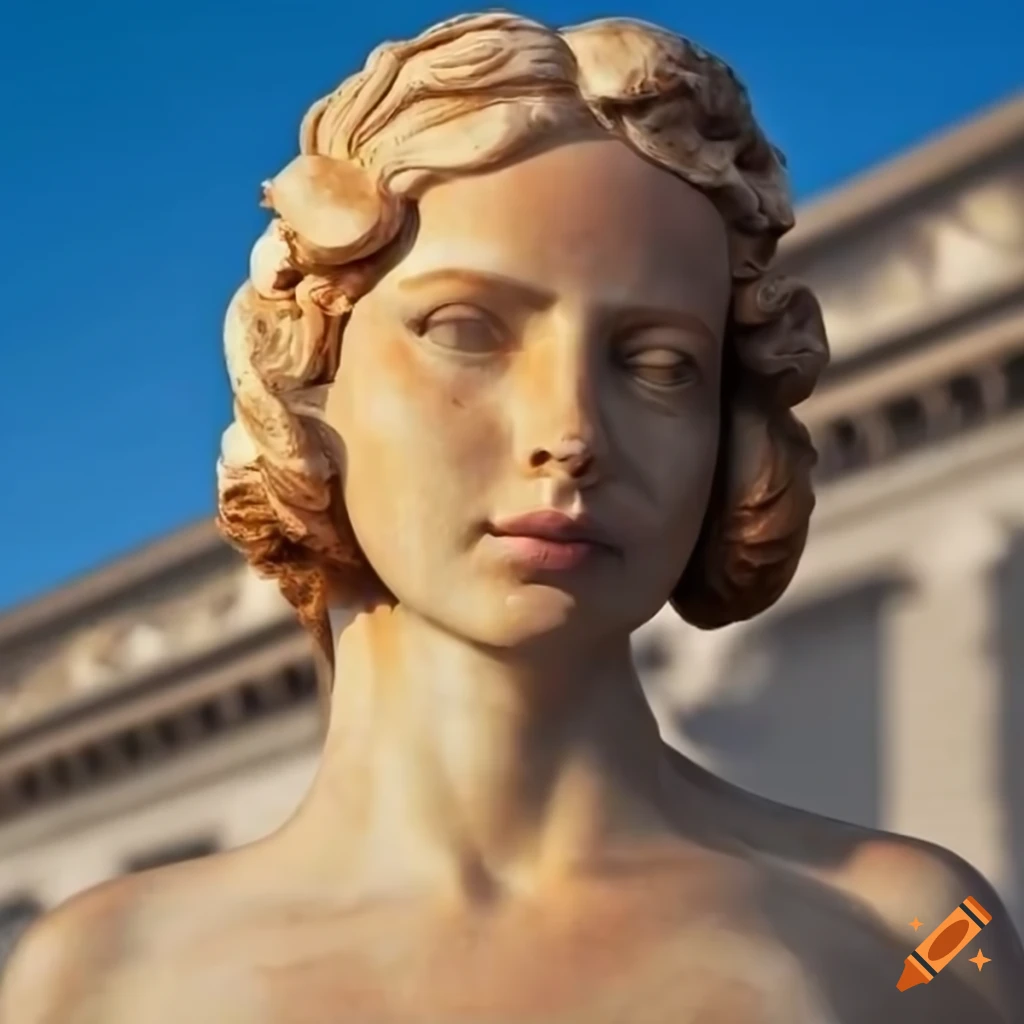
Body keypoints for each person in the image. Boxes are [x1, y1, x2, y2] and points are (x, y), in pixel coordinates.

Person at [3, 12, 1022, 1023]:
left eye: (659, 364)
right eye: (465, 330)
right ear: (304, 371)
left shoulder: (926, 941)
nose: (569, 430)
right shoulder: (94, 980)